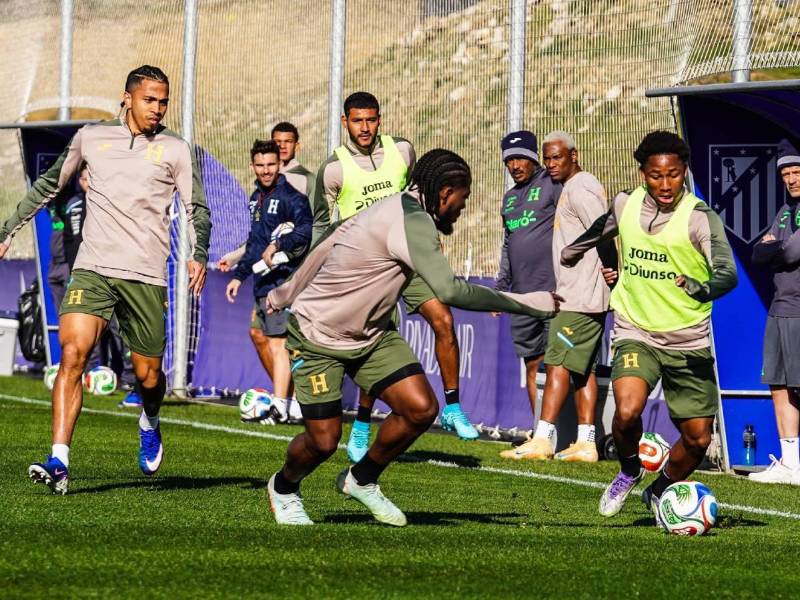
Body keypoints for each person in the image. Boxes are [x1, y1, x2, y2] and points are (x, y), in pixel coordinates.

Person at [265, 149, 560, 526]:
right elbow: (450, 291)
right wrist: (532, 302)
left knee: (420, 408)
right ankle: (284, 487)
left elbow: (334, 236)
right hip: (318, 335)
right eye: (462, 199)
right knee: (323, 441)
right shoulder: (413, 220)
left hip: (372, 337)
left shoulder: (399, 205)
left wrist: (286, 291)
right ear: (445, 192)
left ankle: (362, 479)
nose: (462, 209)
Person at [0, 65, 211, 495]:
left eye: (164, 100)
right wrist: (8, 228)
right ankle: (59, 459)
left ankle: (150, 418)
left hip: (146, 276)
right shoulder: (91, 138)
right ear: (128, 98)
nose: (157, 108)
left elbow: (197, 207)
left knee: (148, 376)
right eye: (150, 99)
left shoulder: (175, 148)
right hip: (92, 269)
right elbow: (49, 185)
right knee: (73, 354)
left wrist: (198, 254)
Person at [561, 131, 737, 525]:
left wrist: (701, 286)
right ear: (643, 174)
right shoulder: (626, 203)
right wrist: (572, 252)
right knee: (626, 412)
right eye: (656, 176)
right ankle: (628, 470)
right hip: (634, 328)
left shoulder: (698, 218)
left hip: (687, 338)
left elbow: (728, 273)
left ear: (684, 172)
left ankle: (659, 489)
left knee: (697, 439)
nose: (665, 184)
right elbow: (603, 228)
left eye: (673, 175)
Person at [314, 91, 478, 461]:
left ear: (380, 119)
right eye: (358, 121)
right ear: (345, 123)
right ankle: (361, 425)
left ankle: (452, 407)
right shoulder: (334, 169)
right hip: (369, 269)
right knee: (376, 342)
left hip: (407, 257)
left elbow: (422, 192)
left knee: (444, 320)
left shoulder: (401, 152)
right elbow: (321, 226)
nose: (365, 128)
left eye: (371, 119)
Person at [508, 130, 612, 463]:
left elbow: (607, 224)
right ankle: (586, 441)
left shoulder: (581, 186)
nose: (551, 164)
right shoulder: (570, 187)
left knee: (555, 365)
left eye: (557, 157)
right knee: (583, 372)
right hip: (578, 294)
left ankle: (543, 438)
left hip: (579, 298)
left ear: (574, 155)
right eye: (548, 158)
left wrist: (579, 253)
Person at [225, 140, 312, 422]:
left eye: (271, 165)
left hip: (283, 283)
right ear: (253, 166)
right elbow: (255, 243)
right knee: (259, 335)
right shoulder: (255, 198)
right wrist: (239, 276)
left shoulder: (292, 198)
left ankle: (282, 406)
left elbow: (305, 233)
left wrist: (279, 246)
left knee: (279, 343)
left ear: (280, 164)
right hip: (261, 283)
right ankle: (286, 399)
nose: (265, 170)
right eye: (260, 165)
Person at [494, 130, 563, 459]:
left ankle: (560, 431)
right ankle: (539, 434)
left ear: (534, 157)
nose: (514, 165)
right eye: (509, 160)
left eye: (520, 157)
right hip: (521, 297)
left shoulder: (551, 185)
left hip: (554, 293)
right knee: (532, 363)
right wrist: (501, 287)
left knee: (558, 363)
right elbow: (508, 246)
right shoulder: (509, 199)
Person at [749, 137, 800, 485]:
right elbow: (757, 254)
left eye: (797, 172)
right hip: (778, 309)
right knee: (779, 385)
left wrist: (775, 248)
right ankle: (791, 463)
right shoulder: (785, 213)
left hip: (799, 312)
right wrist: (774, 248)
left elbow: (790, 253)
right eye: (786, 174)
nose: (792, 179)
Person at [219, 122, 314, 272]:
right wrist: (236, 256)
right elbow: (263, 231)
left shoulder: (306, 179)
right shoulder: (265, 183)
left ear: (297, 145)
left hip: (298, 266)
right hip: (268, 266)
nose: (282, 146)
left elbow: (315, 226)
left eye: (288, 142)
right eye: (278, 142)